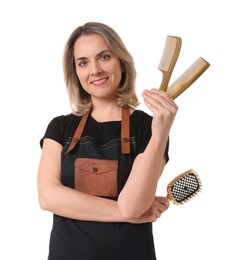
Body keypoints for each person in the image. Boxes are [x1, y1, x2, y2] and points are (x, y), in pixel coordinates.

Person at [37, 21, 178, 260]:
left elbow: (133, 205)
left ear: (121, 61)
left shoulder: (148, 128)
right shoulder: (60, 127)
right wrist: (128, 214)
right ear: (76, 72)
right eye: (83, 62)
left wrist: (161, 133)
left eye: (104, 57)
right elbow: (48, 197)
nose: (95, 70)